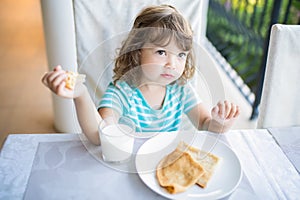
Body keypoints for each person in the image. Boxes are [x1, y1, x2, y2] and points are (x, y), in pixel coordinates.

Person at [42, 5, 240, 145]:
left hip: (165, 165)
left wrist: (219, 123)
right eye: (161, 52)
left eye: (180, 55)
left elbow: (205, 124)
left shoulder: (182, 90)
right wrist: (81, 95)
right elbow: (98, 135)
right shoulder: (121, 92)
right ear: (137, 52)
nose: (172, 64)